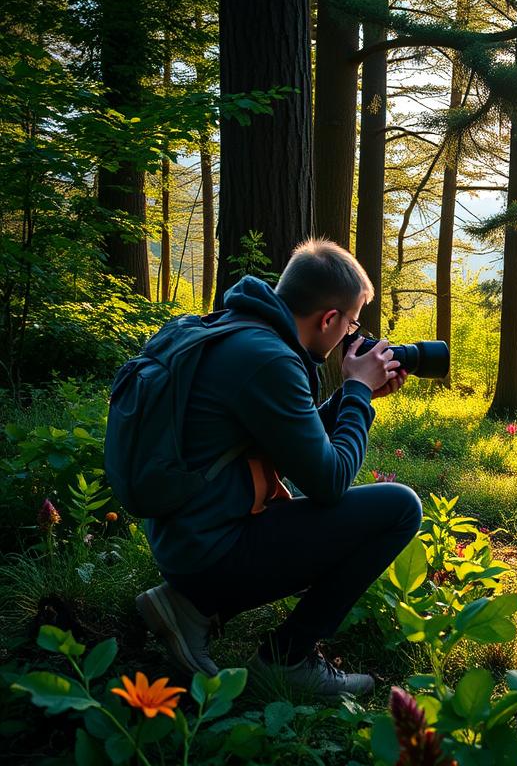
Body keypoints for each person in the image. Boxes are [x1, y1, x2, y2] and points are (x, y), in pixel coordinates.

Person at [133, 238, 422, 698]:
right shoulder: (268, 358)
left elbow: (288, 433)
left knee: (383, 506)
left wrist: (351, 396)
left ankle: (189, 604)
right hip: (207, 548)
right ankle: (286, 659)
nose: (351, 334)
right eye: (351, 322)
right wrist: (359, 396)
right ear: (329, 319)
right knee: (400, 507)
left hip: (186, 535)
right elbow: (329, 481)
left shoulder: (237, 330)